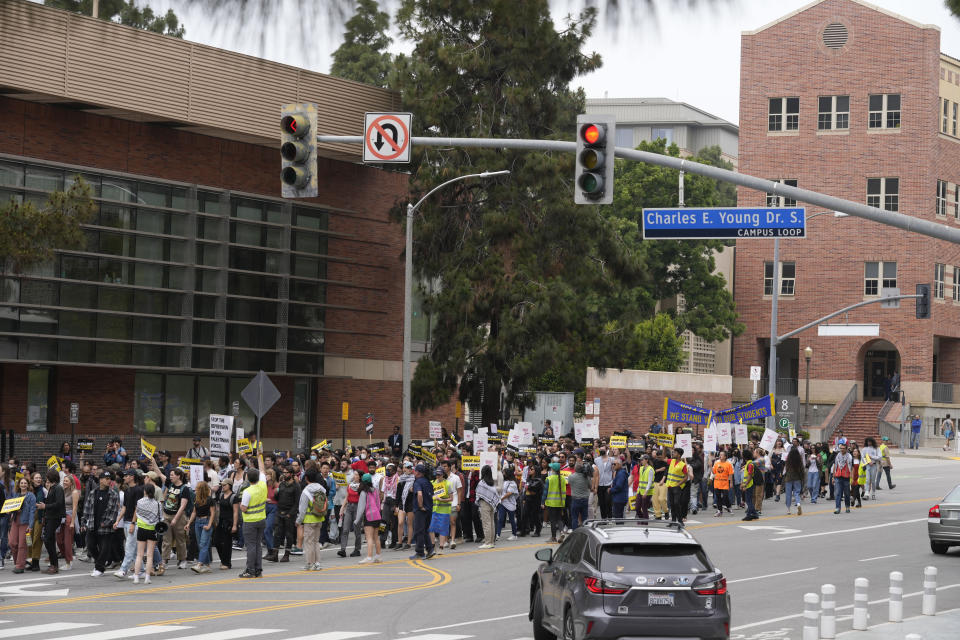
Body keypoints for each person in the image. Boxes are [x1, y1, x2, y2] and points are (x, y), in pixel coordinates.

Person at [81, 470, 120, 577]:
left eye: (110, 479)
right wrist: (84, 521)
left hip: (105, 527)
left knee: (104, 549)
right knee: (90, 546)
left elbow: (114, 511)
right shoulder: (93, 492)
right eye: (106, 479)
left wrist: (107, 523)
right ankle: (100, 564)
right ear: (101, 480)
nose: (109, 481)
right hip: (92, 525)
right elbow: (87, 508)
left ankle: (99, 568)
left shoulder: (113, 494)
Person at [130, 483, 161, 585]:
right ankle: (147, 578)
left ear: (145, 491)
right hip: (152, 530)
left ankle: (136, 577)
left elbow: (137, 513)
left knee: (139, 555)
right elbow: (161, 518)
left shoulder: (139, 502)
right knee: (150, 555)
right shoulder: (157, 504)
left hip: (141, 529)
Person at [239, 466, 267, 578]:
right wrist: (259, 455)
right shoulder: (263, 486)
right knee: (258, 546)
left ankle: (250, 570)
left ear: (248, 479)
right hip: (261, 519)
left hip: (250, 520)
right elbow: (263, 471)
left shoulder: (247, 491)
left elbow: (244, 508)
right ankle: (258, 570)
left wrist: (240, 506)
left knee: (251, 546)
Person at [160, 468, 191, 570]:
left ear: (178, 476)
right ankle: (164, 560)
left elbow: (182, 506)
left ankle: (182, 560)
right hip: (166, 515)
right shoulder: (170, 484)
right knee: (166, 539)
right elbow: (160, 474)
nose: (170, 476)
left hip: (178, 517)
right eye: (170, 475)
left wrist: (175, 519)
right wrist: (154, 462)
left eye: (172, 475)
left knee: (180, 539)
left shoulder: (184, 489)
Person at [296, 469, 326, 571]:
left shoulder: (306, 491)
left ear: (307, 478)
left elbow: (302, 509)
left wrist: (299, 521)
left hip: (309, 519)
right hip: (319, 518)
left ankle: (310, 563)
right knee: (316, 542)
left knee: (308, 542)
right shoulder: (321, 489)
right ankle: (317, 563)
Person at [35, 468, 64, 574]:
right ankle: (53, 564)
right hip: (49, 517)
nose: (46, 478)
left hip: (54, 517)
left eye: (47, 476)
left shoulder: (58, 488)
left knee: (48, 540)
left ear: (51, 477)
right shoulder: (52, 488)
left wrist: (45, 506)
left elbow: (59, 503)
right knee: (49, 540)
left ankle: (54, 565)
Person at [186, 480, 217, 573]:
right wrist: (188, 523)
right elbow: (194, 512)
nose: (195, 490)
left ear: (201, 490)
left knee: (203, 544)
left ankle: (200, 564)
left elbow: (212, 513)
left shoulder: (210, 500)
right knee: (201, 545)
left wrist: (209, 525)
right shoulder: (197, 500)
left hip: (206, 521)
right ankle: (207, 565)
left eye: (197, 488)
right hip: (197, 522)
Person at [8, 476, 36, 573]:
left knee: (22, 545)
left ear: (28, 485)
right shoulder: (16, 495)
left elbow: (33, 511)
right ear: (19, 485)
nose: (23, 485)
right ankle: (18, 563)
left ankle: (20, 566)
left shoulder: (31, 496)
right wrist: (9, 511)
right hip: (15, 521)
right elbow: (11, 507)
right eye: (21, 483)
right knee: (12, 542)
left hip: (25, 522)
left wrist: (31, 525)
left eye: (25, 483)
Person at [273, 466, 301, 563]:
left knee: (288, 534)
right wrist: (276, 493)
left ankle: (286, 554)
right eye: (283, 473)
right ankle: (275, 554)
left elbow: (297, 502)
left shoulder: (296, 486)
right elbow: (277, 498)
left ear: (291, 474)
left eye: (286, 473)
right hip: (279, 511)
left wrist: (291, 513)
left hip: (289, 513)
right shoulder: (282, 484)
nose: (284, 474)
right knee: (277, 533)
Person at [355, 473, 383, 564]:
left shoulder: (363, 492)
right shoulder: (375, 490)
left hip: (369, 516)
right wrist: (378, 513)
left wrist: (357, 519)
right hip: (377, 515)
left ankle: (369, 557)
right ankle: (378, 556)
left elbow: (361, 507)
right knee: (376, 537)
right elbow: (378, 503)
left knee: (369, 538)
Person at [410, 464, 435, 559]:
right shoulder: (428, 482)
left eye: (415, 471)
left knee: (418, 531)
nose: (413, 472)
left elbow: (419, 494)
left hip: (421, 510)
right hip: (429, 509)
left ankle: (420, 552)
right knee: (424, 530)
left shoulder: (417, 482)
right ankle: (430, 549)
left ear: (418, 472)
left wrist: (420, 506)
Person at [214, 479, 239, 571]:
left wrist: (235, 525)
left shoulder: (234, 497)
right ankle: (223, 560)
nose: (222, 487)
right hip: (221, 521)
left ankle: (227, 563)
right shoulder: (220, 495)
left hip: (229, 522)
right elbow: (218, 508)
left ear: (229, 485)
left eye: (224, 485)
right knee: (216, 541)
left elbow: (236, 512)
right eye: (222, 485)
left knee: (227, 544)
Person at [666, 448, 693, 524]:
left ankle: (680, 521)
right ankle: (673, 521)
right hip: (670, 486)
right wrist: (664, 447)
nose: (673, 454)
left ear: (679, 455)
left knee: (676, 503)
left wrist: (679, 484)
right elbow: (662, 458)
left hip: (677, 487)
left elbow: (686, 477)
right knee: (672, 504)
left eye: (675, 453)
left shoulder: (683, 465)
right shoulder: (671, 461)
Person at [475, 464, 499, 549]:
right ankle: (491, 542)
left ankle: (488, 542)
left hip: (484, 504)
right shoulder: (492, 482)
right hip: (492, 504)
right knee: (491, 523)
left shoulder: (482, 483)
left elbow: (478, 493)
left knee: (486, 523)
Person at [495, 466, 518, 540]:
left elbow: (509, 493)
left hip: (510, 503)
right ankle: (497, 534)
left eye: (504, 473)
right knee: (500, 519)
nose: (502, 474)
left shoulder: (512, 483)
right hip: (502, 503)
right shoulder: (504, 482)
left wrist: (501, 498)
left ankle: (514, 534)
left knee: (511, 519)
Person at [783, 446, 805, 516]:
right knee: (797, 492)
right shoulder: (799, 460)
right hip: (797, 478)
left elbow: (785, 470)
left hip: (789, 478)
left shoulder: (788, 460)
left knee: (788, 493)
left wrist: (783, 475)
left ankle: (788, 510)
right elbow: (802, 470)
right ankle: (798, 504)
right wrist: (802, 478)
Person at [832, 443, 853, 514]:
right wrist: (833, 476)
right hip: (838, 476)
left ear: (846, 449)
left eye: (843, 448)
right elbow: (835, 466)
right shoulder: (837, 456)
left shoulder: (849, 456)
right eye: (841, 448)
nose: (842, 449)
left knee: (847, 493)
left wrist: (851, 478)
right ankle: (837, 508)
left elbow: (852, 468)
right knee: (838, 493)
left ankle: (847, 506)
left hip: (846, 477)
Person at [632, 454, 655, 520]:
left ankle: (645, 522)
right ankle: (642, 519)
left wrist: (646, 492)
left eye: (642, 460)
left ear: (646, 460)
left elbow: (649, 482)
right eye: (640, 460)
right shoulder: (641, 468)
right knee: (637, 508)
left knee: (644, 507)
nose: (641, 461)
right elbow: (641, 480)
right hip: (640, 491)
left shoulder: (650, 469)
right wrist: (638, 490)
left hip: (647, 492)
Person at [711, 451, 733, 517]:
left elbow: (730, 474)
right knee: (718, 497)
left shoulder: (728, 464)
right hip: (717, 483)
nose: (720, 456)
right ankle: (719, 511)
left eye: (722, 455)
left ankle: (728, 506)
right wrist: (711, 466)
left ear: (725, 456)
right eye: (720, 455)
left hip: (725, 483)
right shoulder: (716, 463)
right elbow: (713, 472)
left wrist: (731, 482)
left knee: (725, 497)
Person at [741, 450, 758, 521]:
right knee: (749, 500)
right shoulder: (748, 463)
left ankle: (750, 515)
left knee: (748, 501)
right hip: (747, 484)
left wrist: (745, 485)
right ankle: (754, 514)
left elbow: (750, 475)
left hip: (749, 485)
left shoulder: (750, 464)